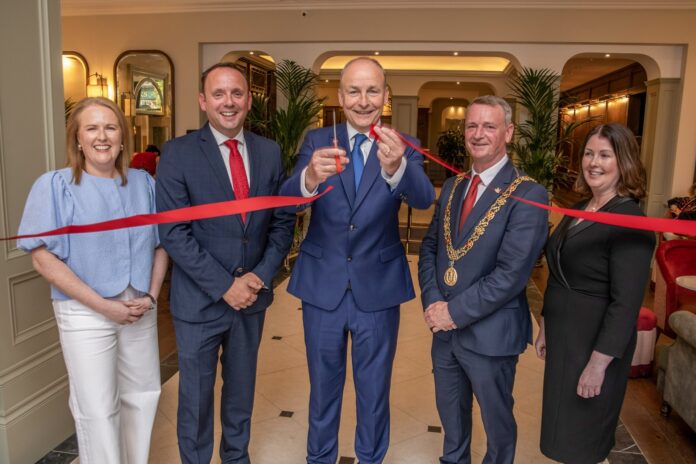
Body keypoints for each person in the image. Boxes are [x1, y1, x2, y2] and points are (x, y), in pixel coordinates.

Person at [279, 57, 435, 464]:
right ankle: (320, 459)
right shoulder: (317, 140)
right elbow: (286, 201)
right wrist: (310, 178)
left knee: (374, 392)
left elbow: (423, 199)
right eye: (354, 91)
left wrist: (398, 166)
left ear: (385, 96)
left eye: (372, 91)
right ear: (340, 95)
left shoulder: (403, 143)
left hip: (378, 289)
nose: (363, 100)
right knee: (322, 391)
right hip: (322, 286)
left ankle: (371, 458)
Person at [156, 62, 295, 464]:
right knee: (196, 400)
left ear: (249, 100)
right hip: (199, 302)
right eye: (218, 94)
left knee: (240, 395)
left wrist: (260, 276)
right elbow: (174, 233)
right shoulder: (178, 153)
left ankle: (236, 458)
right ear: (203, 101)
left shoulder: (269, 152)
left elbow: (282, 222)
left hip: (251, 299)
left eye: (236, 93)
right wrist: (224, 286)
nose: (228, 102)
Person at [17, 97, 167, 464]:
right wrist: (103, 306)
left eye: (111, 127)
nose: (102, 136)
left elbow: (162, 245)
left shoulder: (144, 183)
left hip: (139, 307)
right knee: (97, 410)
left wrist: (151, 295)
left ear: (123, 137)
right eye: (92, 128)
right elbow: (42, 258)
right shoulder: (55, 186)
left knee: (143, 396)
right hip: (85, 312)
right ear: (77, 138)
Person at [418, 95, 549, 464]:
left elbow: (511, 275)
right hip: (445, 334)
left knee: (497, 427)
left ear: (507, 132)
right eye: (471, 126)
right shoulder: (454, 186)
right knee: (452, 422)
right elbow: (430, 248)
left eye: (489, 126)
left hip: (491, 337)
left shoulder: (529, 193)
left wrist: (453, 312)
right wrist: (433, 301)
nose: (478, 134)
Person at [535, 123, 656, 463]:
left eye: (605, 155)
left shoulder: (631, 221)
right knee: (562, 432)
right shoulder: (581, 207)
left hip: (595, 344)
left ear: (624, 162)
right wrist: (545, 322)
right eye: (589, 154)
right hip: (565, 337)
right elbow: (558, 270)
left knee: (584, 437)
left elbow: (626, 303)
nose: (593, 162)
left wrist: (598, 364)